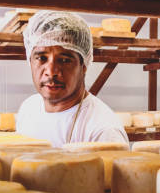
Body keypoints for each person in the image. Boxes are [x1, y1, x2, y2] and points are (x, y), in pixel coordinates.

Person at [16, 11, 128, 147]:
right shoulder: (29, 108)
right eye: (41, 58)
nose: (51, 72)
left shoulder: (104, 132)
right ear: (30, 61)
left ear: (84, 65)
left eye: (64, 60)